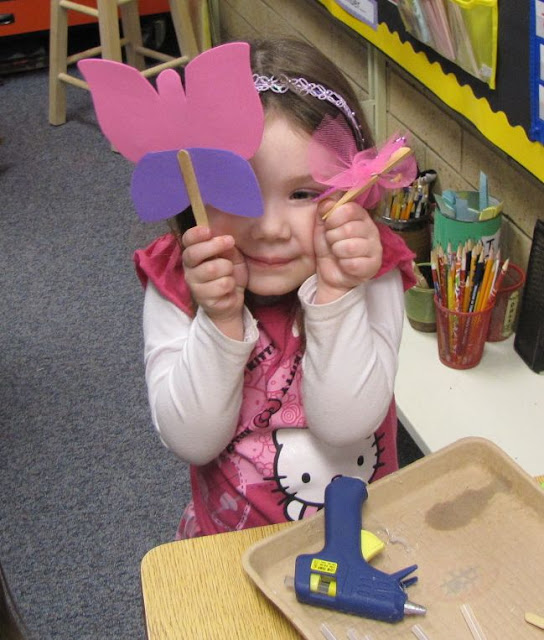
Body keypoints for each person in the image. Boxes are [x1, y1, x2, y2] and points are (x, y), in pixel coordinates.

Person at [134, 38, 416, 538]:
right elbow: (191, 440)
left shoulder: (369, 269)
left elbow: (346, 424)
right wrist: (219, 319)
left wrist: (338, 292)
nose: (268, 228)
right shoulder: (178, 278)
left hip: (360, 537)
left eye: (303, 193)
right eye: (236, 190)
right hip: (228, 545)